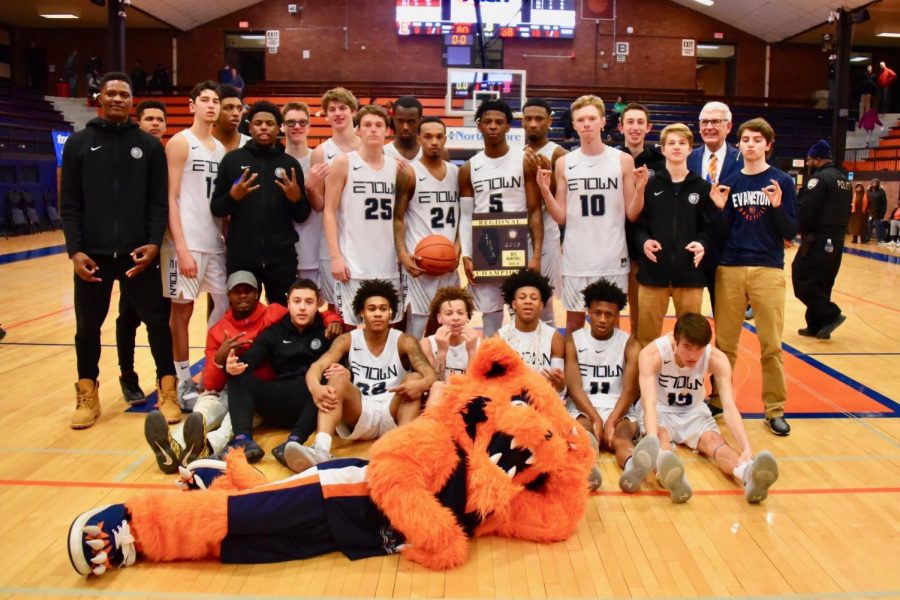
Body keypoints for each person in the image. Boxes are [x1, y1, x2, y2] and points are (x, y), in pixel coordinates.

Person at [59, 71, 176, 429]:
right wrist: (75, 251)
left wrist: (154, 243)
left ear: (132, 101)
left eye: (124, 94)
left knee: (157, 323)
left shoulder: (150, 146)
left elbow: (158, 203)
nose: (117, 99)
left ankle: (167, 390)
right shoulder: (79, 143)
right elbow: (70, 204)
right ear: (100, 97)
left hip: (137, 254)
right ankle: (87, 393)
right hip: (92, 256)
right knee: (87, 328)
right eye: (111, 93)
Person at [285, 280, 437, 472]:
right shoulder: (347, 339)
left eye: (383, 308)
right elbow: (317, 366)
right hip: (361, 411)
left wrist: (421, 384)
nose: (378, 313)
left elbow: (431, 374)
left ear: (391, 312)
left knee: (414, 379)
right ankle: (321, 449)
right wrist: (316, 388)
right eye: (372, 308)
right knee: (337, 376)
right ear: (361, 313)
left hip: (393, 409)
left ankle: (402, 450)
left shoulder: (404, 340)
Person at [143, 271, 286, 473]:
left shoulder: (274, 313)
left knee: (231, 424)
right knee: (203, 410)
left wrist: (331, 318)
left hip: (257, 393)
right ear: (228, 295)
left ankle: (203, 448)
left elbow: (308, 314)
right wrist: (219, 358)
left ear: (258, 293)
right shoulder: (219, 330)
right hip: (226, 389)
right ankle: (172, 446)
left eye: (248, 291)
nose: (243, 296)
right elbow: (210, 383)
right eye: (237, 292)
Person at [708, 118, 798, 436]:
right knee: (725, 344)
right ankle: (719, 399)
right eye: (745, 139)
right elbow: (720, 234)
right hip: (731, 267)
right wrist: (718, 210)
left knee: (771, 344)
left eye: (757, 140)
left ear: (768, 145)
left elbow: (789, 231)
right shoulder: (730, 179)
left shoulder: (782, 182)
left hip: (768, 269)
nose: (750, 144)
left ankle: (774, 409)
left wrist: (776, 208)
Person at [639, 313, 780, 504]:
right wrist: (652, 438)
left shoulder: (717, 359)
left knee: (715, 441)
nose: (692, 355)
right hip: (661, 409)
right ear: (675, 340)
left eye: (698, 348)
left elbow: (729, 407)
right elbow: (649, 402)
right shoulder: (652, 354)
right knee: (660, 438)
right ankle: (670, 474)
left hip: (694, 411)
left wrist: (745, 446)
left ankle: (747, 473)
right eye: (686, 347)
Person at [536, 95, 647, 334]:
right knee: (574, 324)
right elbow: (561, 217)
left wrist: (641, 189)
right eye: (581, 119)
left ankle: (610, 370)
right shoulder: (565, 163)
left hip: (612, 256)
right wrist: (545, 191)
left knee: (611, 322)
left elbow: (632, 213)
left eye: (591, 118)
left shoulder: (623, 160)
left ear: (603, 122)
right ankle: (574, 372)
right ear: (574, 125)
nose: (586, 124)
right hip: (577, 257)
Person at [161, 81, 227, 412]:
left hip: (214, 242)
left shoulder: (220, 149)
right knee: (182, 311)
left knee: (225, 306)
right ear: (192, 106)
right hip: (184, 243)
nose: (211, 105)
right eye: (205, 100)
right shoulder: (179, 142)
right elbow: (170, 197)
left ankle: (212, 370)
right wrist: (181, 248)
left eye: (216, 100)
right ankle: (183, 376)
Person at [224, 279, 338, 465]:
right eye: (297, 301)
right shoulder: (275, 331)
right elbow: (250, 359)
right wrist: (233, 365)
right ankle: (243, 440)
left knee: (330, 378)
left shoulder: (328, 332)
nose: (302, 308)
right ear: (288, 303)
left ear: (318, 303)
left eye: (308, 302)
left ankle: (294, 442)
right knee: (237, 376)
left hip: (311, 403)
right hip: (278, 398)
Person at [211, 100, 310, 306]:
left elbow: (302, 214)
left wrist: (296, 198)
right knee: (242, 315)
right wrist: (233, 197)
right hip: (242, 257)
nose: (263, 127)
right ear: (249, 126)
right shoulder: (232, 160)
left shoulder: (289, 164)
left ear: (278, 127)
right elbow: (217, 208)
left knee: (282, 315)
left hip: (281, 257)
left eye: (269, 123)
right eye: (258, 123)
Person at [458, 99, 544, 337]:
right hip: (486, 246)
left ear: (508, 127)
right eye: (487, 122)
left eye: (499, 122)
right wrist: (466, 255)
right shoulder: (469, 168)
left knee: (523, 313)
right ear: (479, 126)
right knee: (490, 317)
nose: (493, 126)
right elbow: (466, 216)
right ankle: (492, 368)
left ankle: (525, 366)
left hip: (517, 244)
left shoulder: (524, 160)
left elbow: (535, 210)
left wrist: (535, 255)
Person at [564, 278, 656, 493]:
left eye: (609, 314)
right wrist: (595, 418)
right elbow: (574, 386)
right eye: (597, 313)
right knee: (584, 434)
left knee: (622, 438)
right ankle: (590, 470)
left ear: (617, 316)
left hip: (619, 407)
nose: (603, 319)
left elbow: (630, 389)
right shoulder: (573, 340)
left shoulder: (630, 343)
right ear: (588, 311)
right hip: (584, 407)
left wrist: (612, 420)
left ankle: (634, 468)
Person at [324, 104, 408, 326]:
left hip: (388, 264)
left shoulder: (396, 168)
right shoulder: (344, 162)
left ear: (387, 131)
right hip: (353, 265)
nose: (373, 130)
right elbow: (329, 211)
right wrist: (335, 256)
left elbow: (401, 217)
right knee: (351, 329)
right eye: (368, 125)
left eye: (379, 125)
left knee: (390, 327)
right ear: (358, 130)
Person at [634, 123, 711, 348]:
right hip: (653, 273)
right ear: (663, 149)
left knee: (690, 340)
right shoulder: (649, 185)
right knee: (647, 340)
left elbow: (708, 229)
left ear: (690, 149)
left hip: (689, 276)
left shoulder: (702, 187)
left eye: (682, 143)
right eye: (671, 143)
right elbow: (639, 226)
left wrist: (702, 243)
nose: (676, 147)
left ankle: (685, 383)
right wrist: (644, 242)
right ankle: (645, 384)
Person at [115, 99, 168, 405]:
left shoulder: (167, 154)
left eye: (160, 119)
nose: (156, 123)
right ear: (138, 121)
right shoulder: (129, 156)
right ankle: (128, 375)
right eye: (149, 118)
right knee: (129, 316)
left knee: (161, 318)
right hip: (136, 249)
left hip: (166, 249)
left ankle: (168, 376)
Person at [393, 116, 460, 338]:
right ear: (419, 138)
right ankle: (414, 371)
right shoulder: (409, 173)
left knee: (450, 321)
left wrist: (458, 249)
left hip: (448, 261)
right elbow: (398, 218)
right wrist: (403, 254)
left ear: (445, 139)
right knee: (417, 324)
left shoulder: (456, 173)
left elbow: (463, 217)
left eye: (439, 137)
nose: (434, 142)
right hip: (420, 262)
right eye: (428, 136)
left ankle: (445, 369)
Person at [687, 101, 743, 316]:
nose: (709, 126)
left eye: (715, 121)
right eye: (704, 122)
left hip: (727, 248)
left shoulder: (741, 159)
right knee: (689, 312)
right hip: (692, 245)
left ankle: (723, 351)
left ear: (728, 126)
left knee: (724, 314)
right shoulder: (687, 157)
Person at [792, 140, 852, 340]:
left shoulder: (818, 180)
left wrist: (796, 229)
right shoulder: (844, 180)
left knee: (801, 278)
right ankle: (817, 326)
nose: (808, 163)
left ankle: (830, 315)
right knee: (822, 282)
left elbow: (807, 210)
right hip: (838, 238)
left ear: (817, 159)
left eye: (809, 159)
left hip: (818, 238)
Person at [309, 87, 362, 310]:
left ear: (353, 111)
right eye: (332, 109)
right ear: (326, 115)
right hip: (334, 242)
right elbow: (320, 206)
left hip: (364, 238)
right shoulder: (321, 152)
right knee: (335, 310)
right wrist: (311, 187)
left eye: (343, 108)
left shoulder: (371, 148)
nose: (338, 113)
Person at [618, 102, 667, 334]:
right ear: (621, 127)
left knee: (640, 318)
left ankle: (638, 364)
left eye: (640, 123)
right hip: (613, 245)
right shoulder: (611, 159)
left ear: (649, 128)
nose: (635, 127)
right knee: (608, 310)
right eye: (630, 122)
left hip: (643, 248)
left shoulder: (660, 163)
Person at [522, 97, 565, 325]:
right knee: (518, 298)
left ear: (550, 121)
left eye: (539, 119)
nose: (533, 124)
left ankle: (547, 353)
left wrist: (549, 180)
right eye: (528, 119)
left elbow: (564, 201)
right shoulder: (516, 153)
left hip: (547, 234)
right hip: (518, 233)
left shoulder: (559, 154)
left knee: (544, 299)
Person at [282, 102, 329, 285]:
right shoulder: (274, 161)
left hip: (314, 246)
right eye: (291, 122)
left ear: (309, 127)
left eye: (302, 122)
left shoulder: (320, 160)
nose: (297, 127)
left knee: (312, 307)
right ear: (282, 126)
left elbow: (322, 206)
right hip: (282, 250)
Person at [495, 270, 565, 391]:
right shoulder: (499, 338)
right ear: (514, 304)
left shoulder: (554, 338)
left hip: (543, 401)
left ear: (541, 305)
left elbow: (560, 389)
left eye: (533, 298)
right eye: (522, 297)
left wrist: (559, 383)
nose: (528, 301)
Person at [419, 286, 479, 381]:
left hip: (469, 393)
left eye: (460, 313)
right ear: (439, 318)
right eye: (449, 313)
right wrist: (442, 352)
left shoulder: (479, 342)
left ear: (467, 316)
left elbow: (478, 385)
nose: (456, 318)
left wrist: (472, 351)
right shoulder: (427, 344)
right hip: (441, 393)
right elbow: (434, 383)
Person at [384, 95, 423, 161]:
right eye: (400, 121)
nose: (405, 127)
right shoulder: (383, 153)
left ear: (420, 121)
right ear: (393, 120)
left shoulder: (428, 154)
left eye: (411, 121)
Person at [213, 84, 249, 152]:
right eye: (229, 108)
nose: (236, 113)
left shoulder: (253, 145)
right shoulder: (200, 145)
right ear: (215, 111)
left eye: (239, 108)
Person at [866, 178, 888, 243]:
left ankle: (880, 239)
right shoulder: (868, 191)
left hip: (878, 212)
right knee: (869, 225)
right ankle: (867, 238)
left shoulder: (881, 192)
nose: (874, 183)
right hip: (870, 212)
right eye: (873, 182)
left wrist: (883, 213)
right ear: (871, 183)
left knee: (879, 226)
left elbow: (884, 203)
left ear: (878, 184)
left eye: (876, 182)